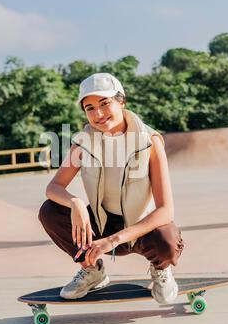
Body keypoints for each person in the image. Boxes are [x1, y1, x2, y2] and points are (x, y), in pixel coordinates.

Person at [38, 73, 184, 304]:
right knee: (50, 211)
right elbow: (54, 186)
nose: (98, 114)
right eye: (90, 108)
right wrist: (75, 203)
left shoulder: (150, 141)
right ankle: (92, 270)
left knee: (167, 241)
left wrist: (114, 240)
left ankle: (161, 270)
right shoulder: (83, 143)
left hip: (140, 228)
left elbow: (166, 211)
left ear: (121, 101)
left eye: (105, 104)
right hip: (102, 223)